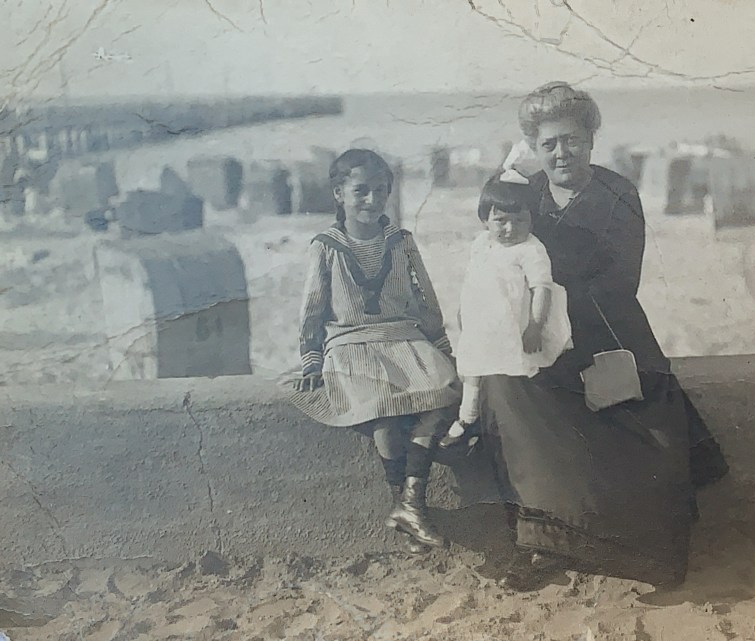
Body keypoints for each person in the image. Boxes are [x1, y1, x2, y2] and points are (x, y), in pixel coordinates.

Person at [473, 81, 730, 589]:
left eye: (570, 139)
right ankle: (538, 542)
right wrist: (505, 174)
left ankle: (633, 554)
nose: (560, 152)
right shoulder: (529, 193)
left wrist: (545, 268)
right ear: (534, 148)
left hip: (609, 331)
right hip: (546, 333)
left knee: (643, 422)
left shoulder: (618, 193)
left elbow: (618, 280)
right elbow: (493, 236)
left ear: (590, 139)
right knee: (503, 393)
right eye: (547, 144)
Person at [286, 148, 460, 554]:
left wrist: (441, 346)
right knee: (382, 408)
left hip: (403, 336)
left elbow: (425, 298)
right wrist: (311, 359)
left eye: (380, 190)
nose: (371, 199)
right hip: (350, 343)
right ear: (338, 194)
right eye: (360, 191)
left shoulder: (401, 241)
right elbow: (312, 306)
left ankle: (410, 503)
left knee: (446, 392)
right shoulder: (326, 245)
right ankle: (407, 505)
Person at [440, 174, 572, 447]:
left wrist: (535, 326)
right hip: (483, 319)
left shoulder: (531, 250)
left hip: (514, 322)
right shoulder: (481, 243)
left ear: (531, 219)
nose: (511, 228)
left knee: (517, 370)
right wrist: (463, 312)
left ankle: (511, 423)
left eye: (520, 220)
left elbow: (542, 289)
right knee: (473, 364)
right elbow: (472, 279)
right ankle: (467, 416)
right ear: (485, 219)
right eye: (501, 221)